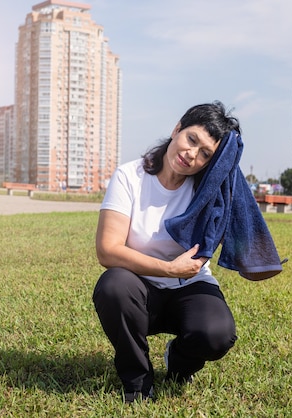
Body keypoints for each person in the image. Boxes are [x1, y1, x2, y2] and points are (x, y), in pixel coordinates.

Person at [93, 101, 241, 403]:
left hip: (190, 286)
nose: (191, 155)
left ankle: (178, 363)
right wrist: (169, 269)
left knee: (217, 334)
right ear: (177, 130)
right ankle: (137, 382)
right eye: (191, 139)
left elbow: (242, 228)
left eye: (205, 154)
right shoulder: (129, 177)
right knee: (113, 285)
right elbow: (108, 251)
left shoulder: (208, 191)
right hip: (138, 289)